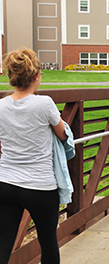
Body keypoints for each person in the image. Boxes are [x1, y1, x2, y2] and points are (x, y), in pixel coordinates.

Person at [0, 48, 67, 264]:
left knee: (3, 242)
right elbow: (63, 134)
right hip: (40, 186)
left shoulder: (1, 106)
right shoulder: (44, 103)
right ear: (36, 76)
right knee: (48, 242)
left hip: (6, 183)